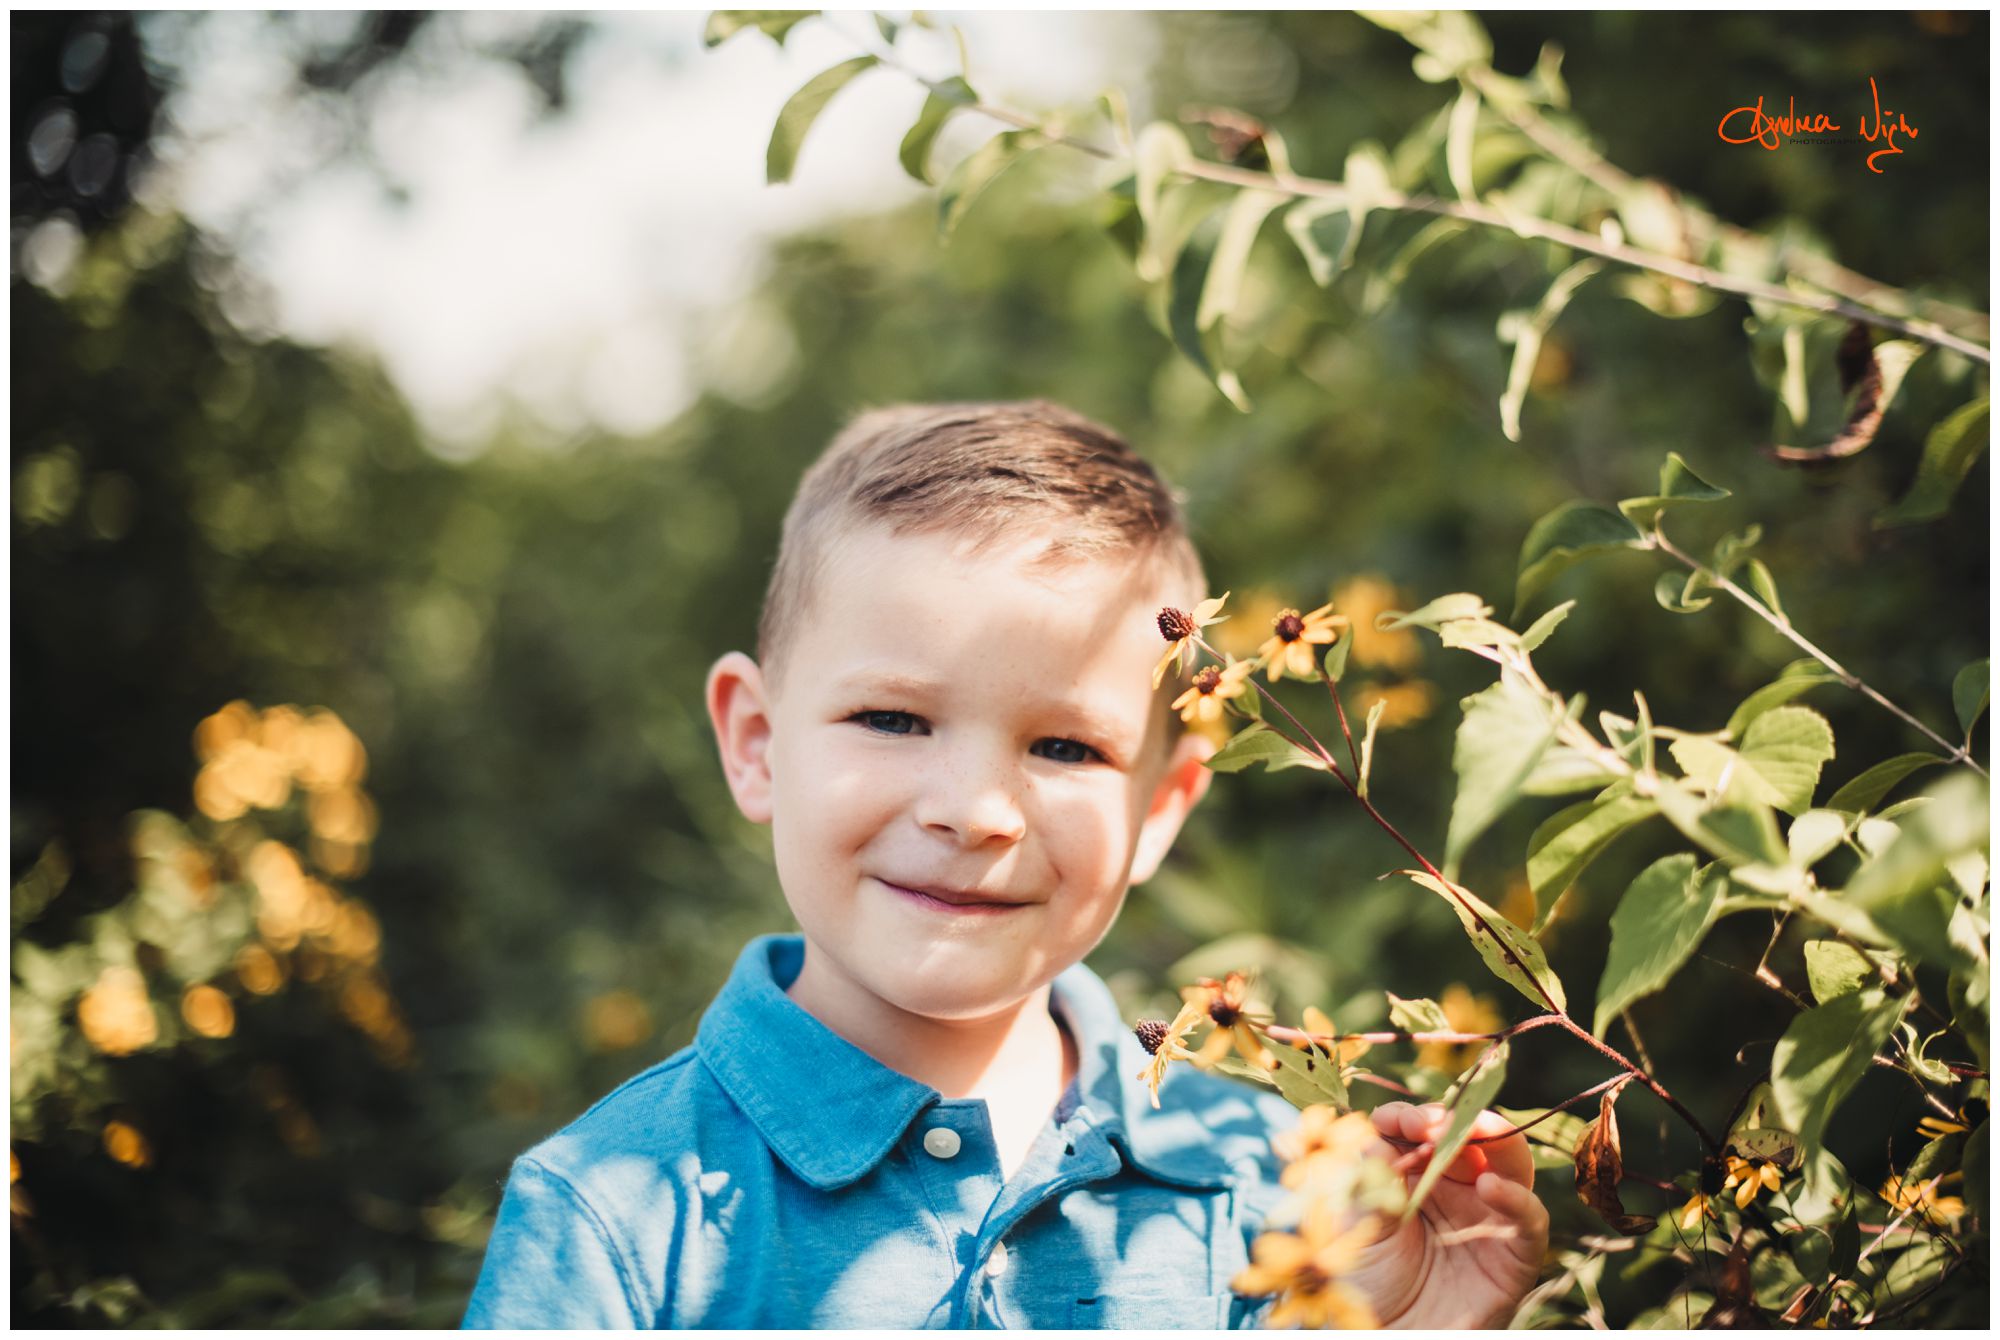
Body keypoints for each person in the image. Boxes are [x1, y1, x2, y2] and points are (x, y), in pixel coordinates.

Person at [462, 401, 1548, 1328]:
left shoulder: (1280, 1186)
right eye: (890, 717)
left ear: (1160, 806)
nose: (974, 811)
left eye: (1065, 746)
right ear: (756, 743)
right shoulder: (615, 1213)